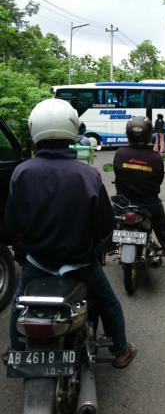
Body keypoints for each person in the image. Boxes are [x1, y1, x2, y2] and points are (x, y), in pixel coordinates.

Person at [5, 98, 136, 368]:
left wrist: (23, 247)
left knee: (19, 305)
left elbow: (11, 224)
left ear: (34, 130)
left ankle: (15, 350)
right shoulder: (88, 174)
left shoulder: (21, 172)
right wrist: (98, 249)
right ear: (72, 129)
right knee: (109, 304)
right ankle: (121, 350)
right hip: (81, 263)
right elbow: (104, 226)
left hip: (38, 262)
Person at [114, 116, 165, 269]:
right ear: (147, 135)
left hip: (123, 203)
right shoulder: (155, 157)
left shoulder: (120, 153)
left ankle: (101, 254)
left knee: (109, 224)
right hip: (149, 203)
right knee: (163, 228)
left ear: (128, 134)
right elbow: (158, 181)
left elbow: (117, 174)